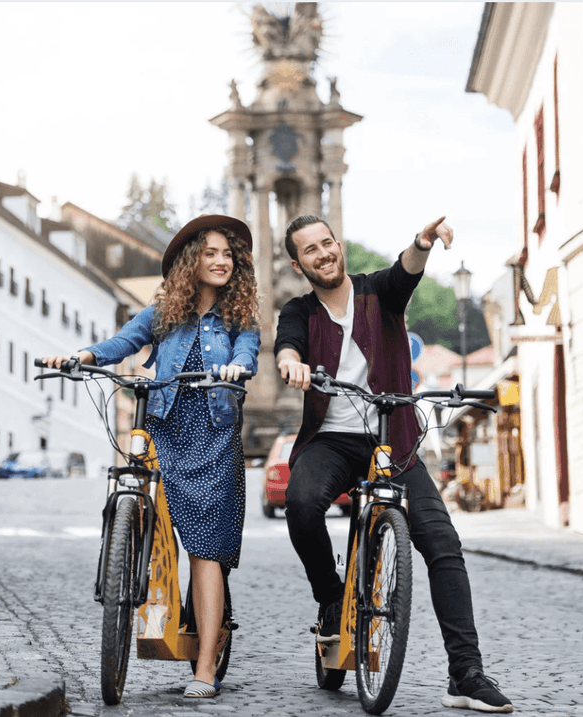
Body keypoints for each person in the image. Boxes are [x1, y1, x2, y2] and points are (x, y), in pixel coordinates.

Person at [274, 214, 513, 713]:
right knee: (300, 502)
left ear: (338, 246)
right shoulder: (299, 310)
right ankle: (333, 597)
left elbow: (404, 273)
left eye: (327, 243)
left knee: (444, 544)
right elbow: (287, 343)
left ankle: (466, 674)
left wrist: (422, 243)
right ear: (300, 265)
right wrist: (291, 363)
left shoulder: (375, 291)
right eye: (310, 250)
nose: (323, 253)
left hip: (394, 437)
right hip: (332, 440)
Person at [43, 215, 260, 699]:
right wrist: (82, 357)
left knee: (205, 550)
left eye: (227, 254)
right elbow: (125, 341)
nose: (221, 261)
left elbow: (249, 352)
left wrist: (236, 367)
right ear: (191, 261)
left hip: (214, 436)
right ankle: (132, 563)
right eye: (210, 253)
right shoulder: (165, 310)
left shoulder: (239, 316)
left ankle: (204, 667)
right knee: (141, 498)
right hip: (163, 428)